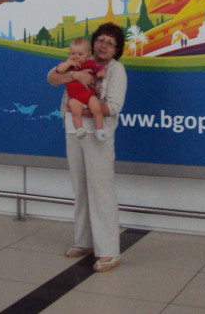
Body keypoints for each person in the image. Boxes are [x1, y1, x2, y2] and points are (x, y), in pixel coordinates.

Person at [47, 23, 127, 272]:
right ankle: (84, 242)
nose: (104, 45)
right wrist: (75, 75)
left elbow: (113, 106)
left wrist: (83, 110)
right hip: (74, 131)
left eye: (110, 43)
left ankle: (109, 251)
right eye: (101, 40)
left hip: (98, 135)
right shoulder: (78, 59)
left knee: (100, 190)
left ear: (116, 49)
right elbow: (52, 78)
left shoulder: (115, 70)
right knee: (80, 188)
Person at [55, 37, 107, 139]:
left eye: (80, 54)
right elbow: (59, 70)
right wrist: (69, 63)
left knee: (97, 109)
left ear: (88, 55)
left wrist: (101, 72)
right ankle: (79, 129)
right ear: (69, 54)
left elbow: (100, 68)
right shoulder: (67, 65)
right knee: (75, 112)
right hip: (74, 97)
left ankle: (99, 129)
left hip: (89, 95)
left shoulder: (91, 64)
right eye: (73, 53)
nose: (76, 56)